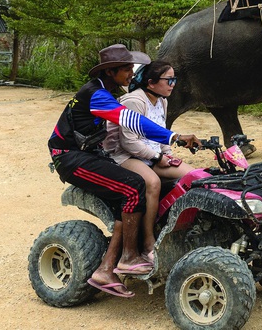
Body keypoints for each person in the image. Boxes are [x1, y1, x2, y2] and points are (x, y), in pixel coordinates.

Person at [48, 44, 201, 298]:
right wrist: (174, 136)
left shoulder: (104, 91)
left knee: (127, 190)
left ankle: (106, 269)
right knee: (133, 187)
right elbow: (131, 121)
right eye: (127, 69)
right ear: (111, 71)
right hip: (70, 157)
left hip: (90, 154)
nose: (132, 73)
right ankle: (130, 257)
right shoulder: (96, 95)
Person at [104, 60, 196, 263]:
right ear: (151, 82)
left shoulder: (162, 100)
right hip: (127, 156)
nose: (173, 84)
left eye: (174, 79)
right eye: (169, 80)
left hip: (153, 154)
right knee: (152, 182)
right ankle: (148, 242)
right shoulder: (134, 102)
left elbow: (161, 134)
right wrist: (158, 157)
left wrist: (167, 154)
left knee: (194, 177)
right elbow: (128, 142)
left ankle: (179, 227)